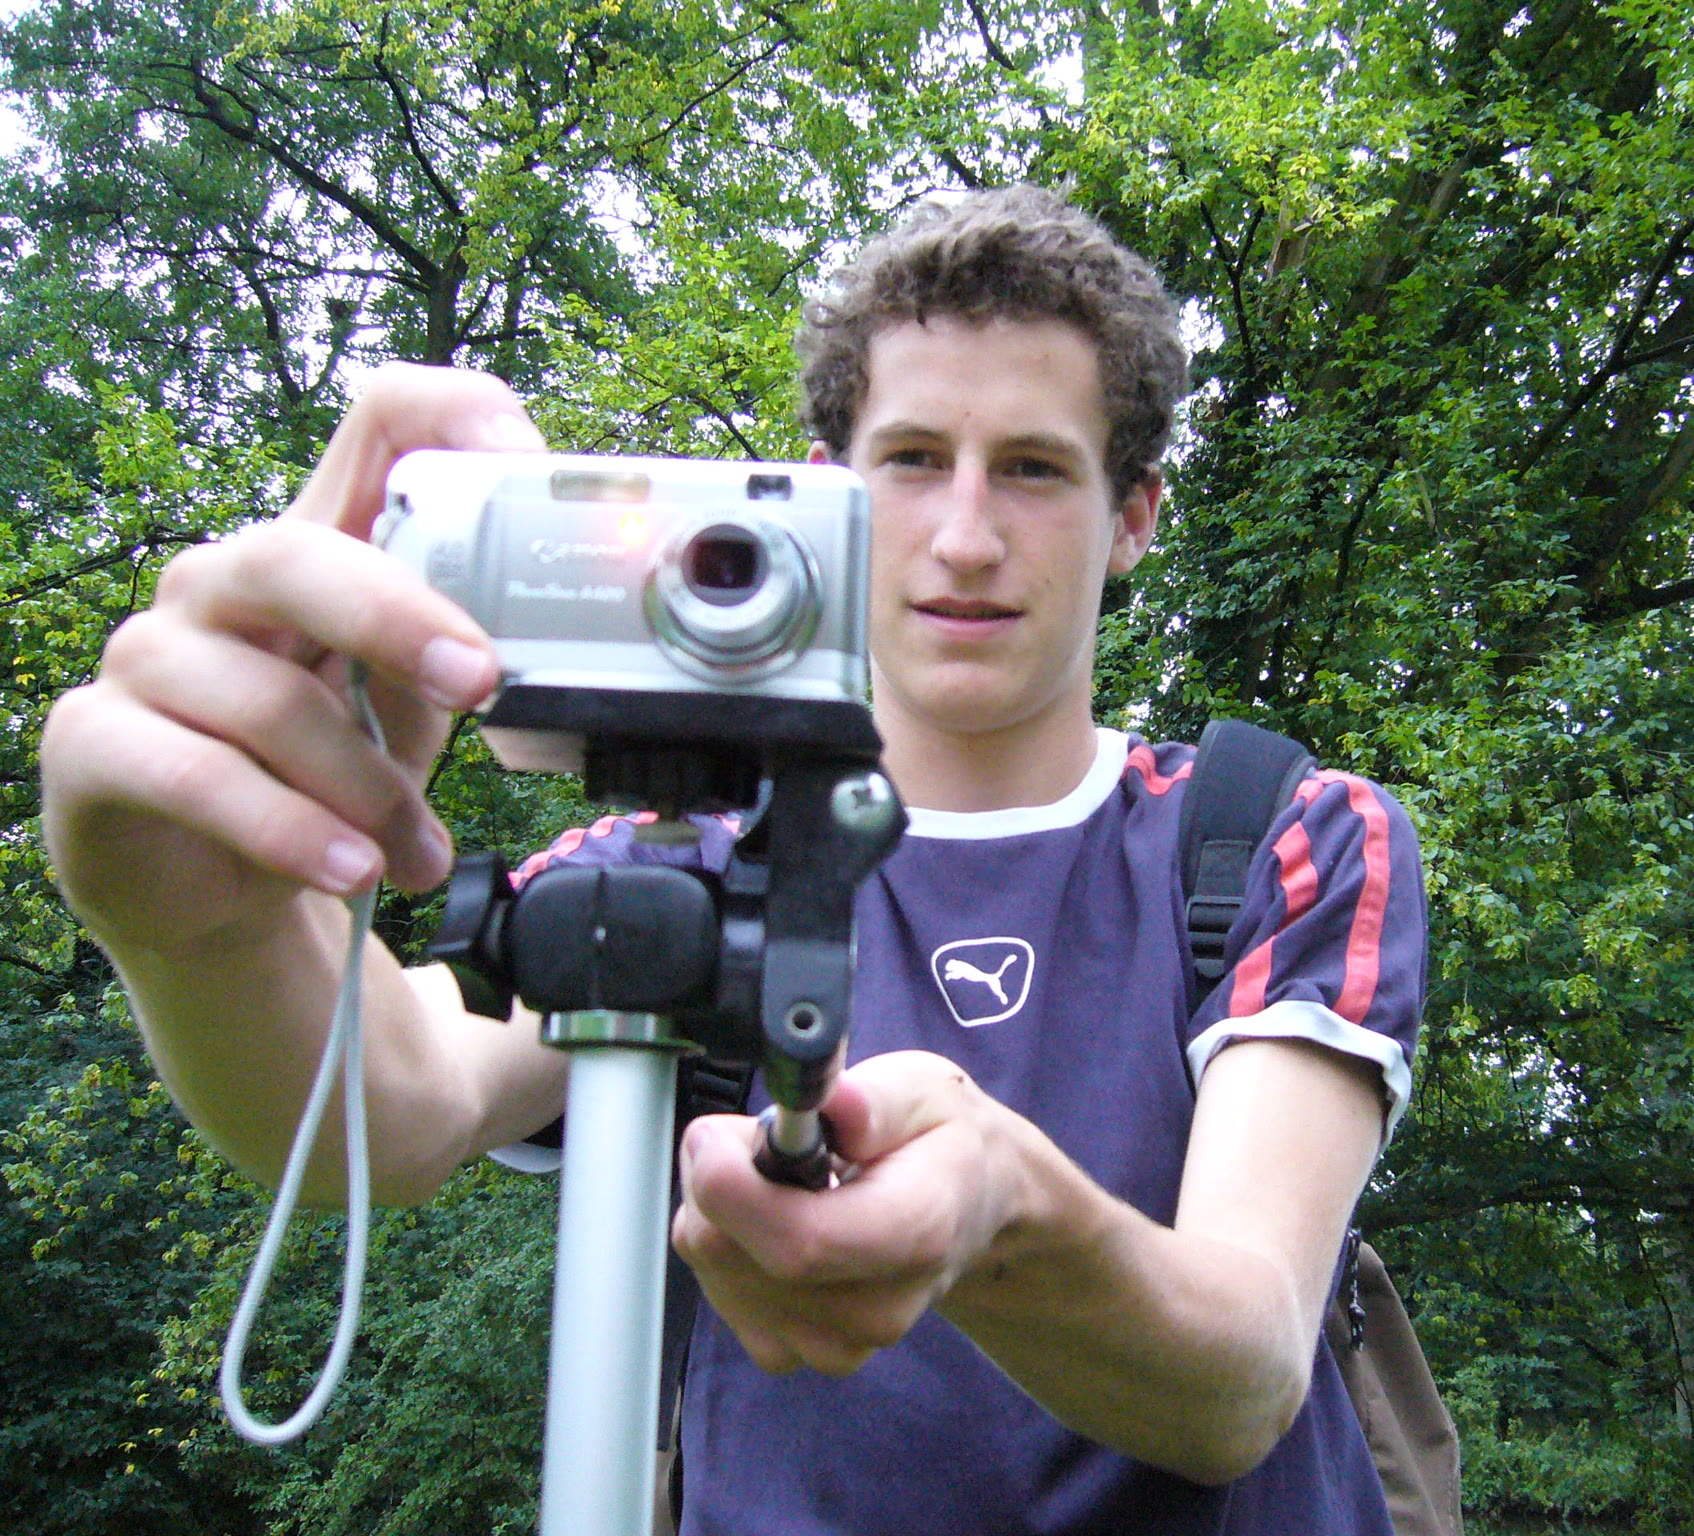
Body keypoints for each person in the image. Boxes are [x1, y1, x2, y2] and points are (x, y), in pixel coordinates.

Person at [40, 186, 1427, 1533]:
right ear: (827, 495)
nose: (964, 536)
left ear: (1134, 516)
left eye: (1034, 468)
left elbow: (1245, 1372)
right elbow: (392, 1104)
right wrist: (199, 926)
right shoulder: (684, 854)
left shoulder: (1275, 837)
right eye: (911, 459)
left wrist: (1003, 1211)